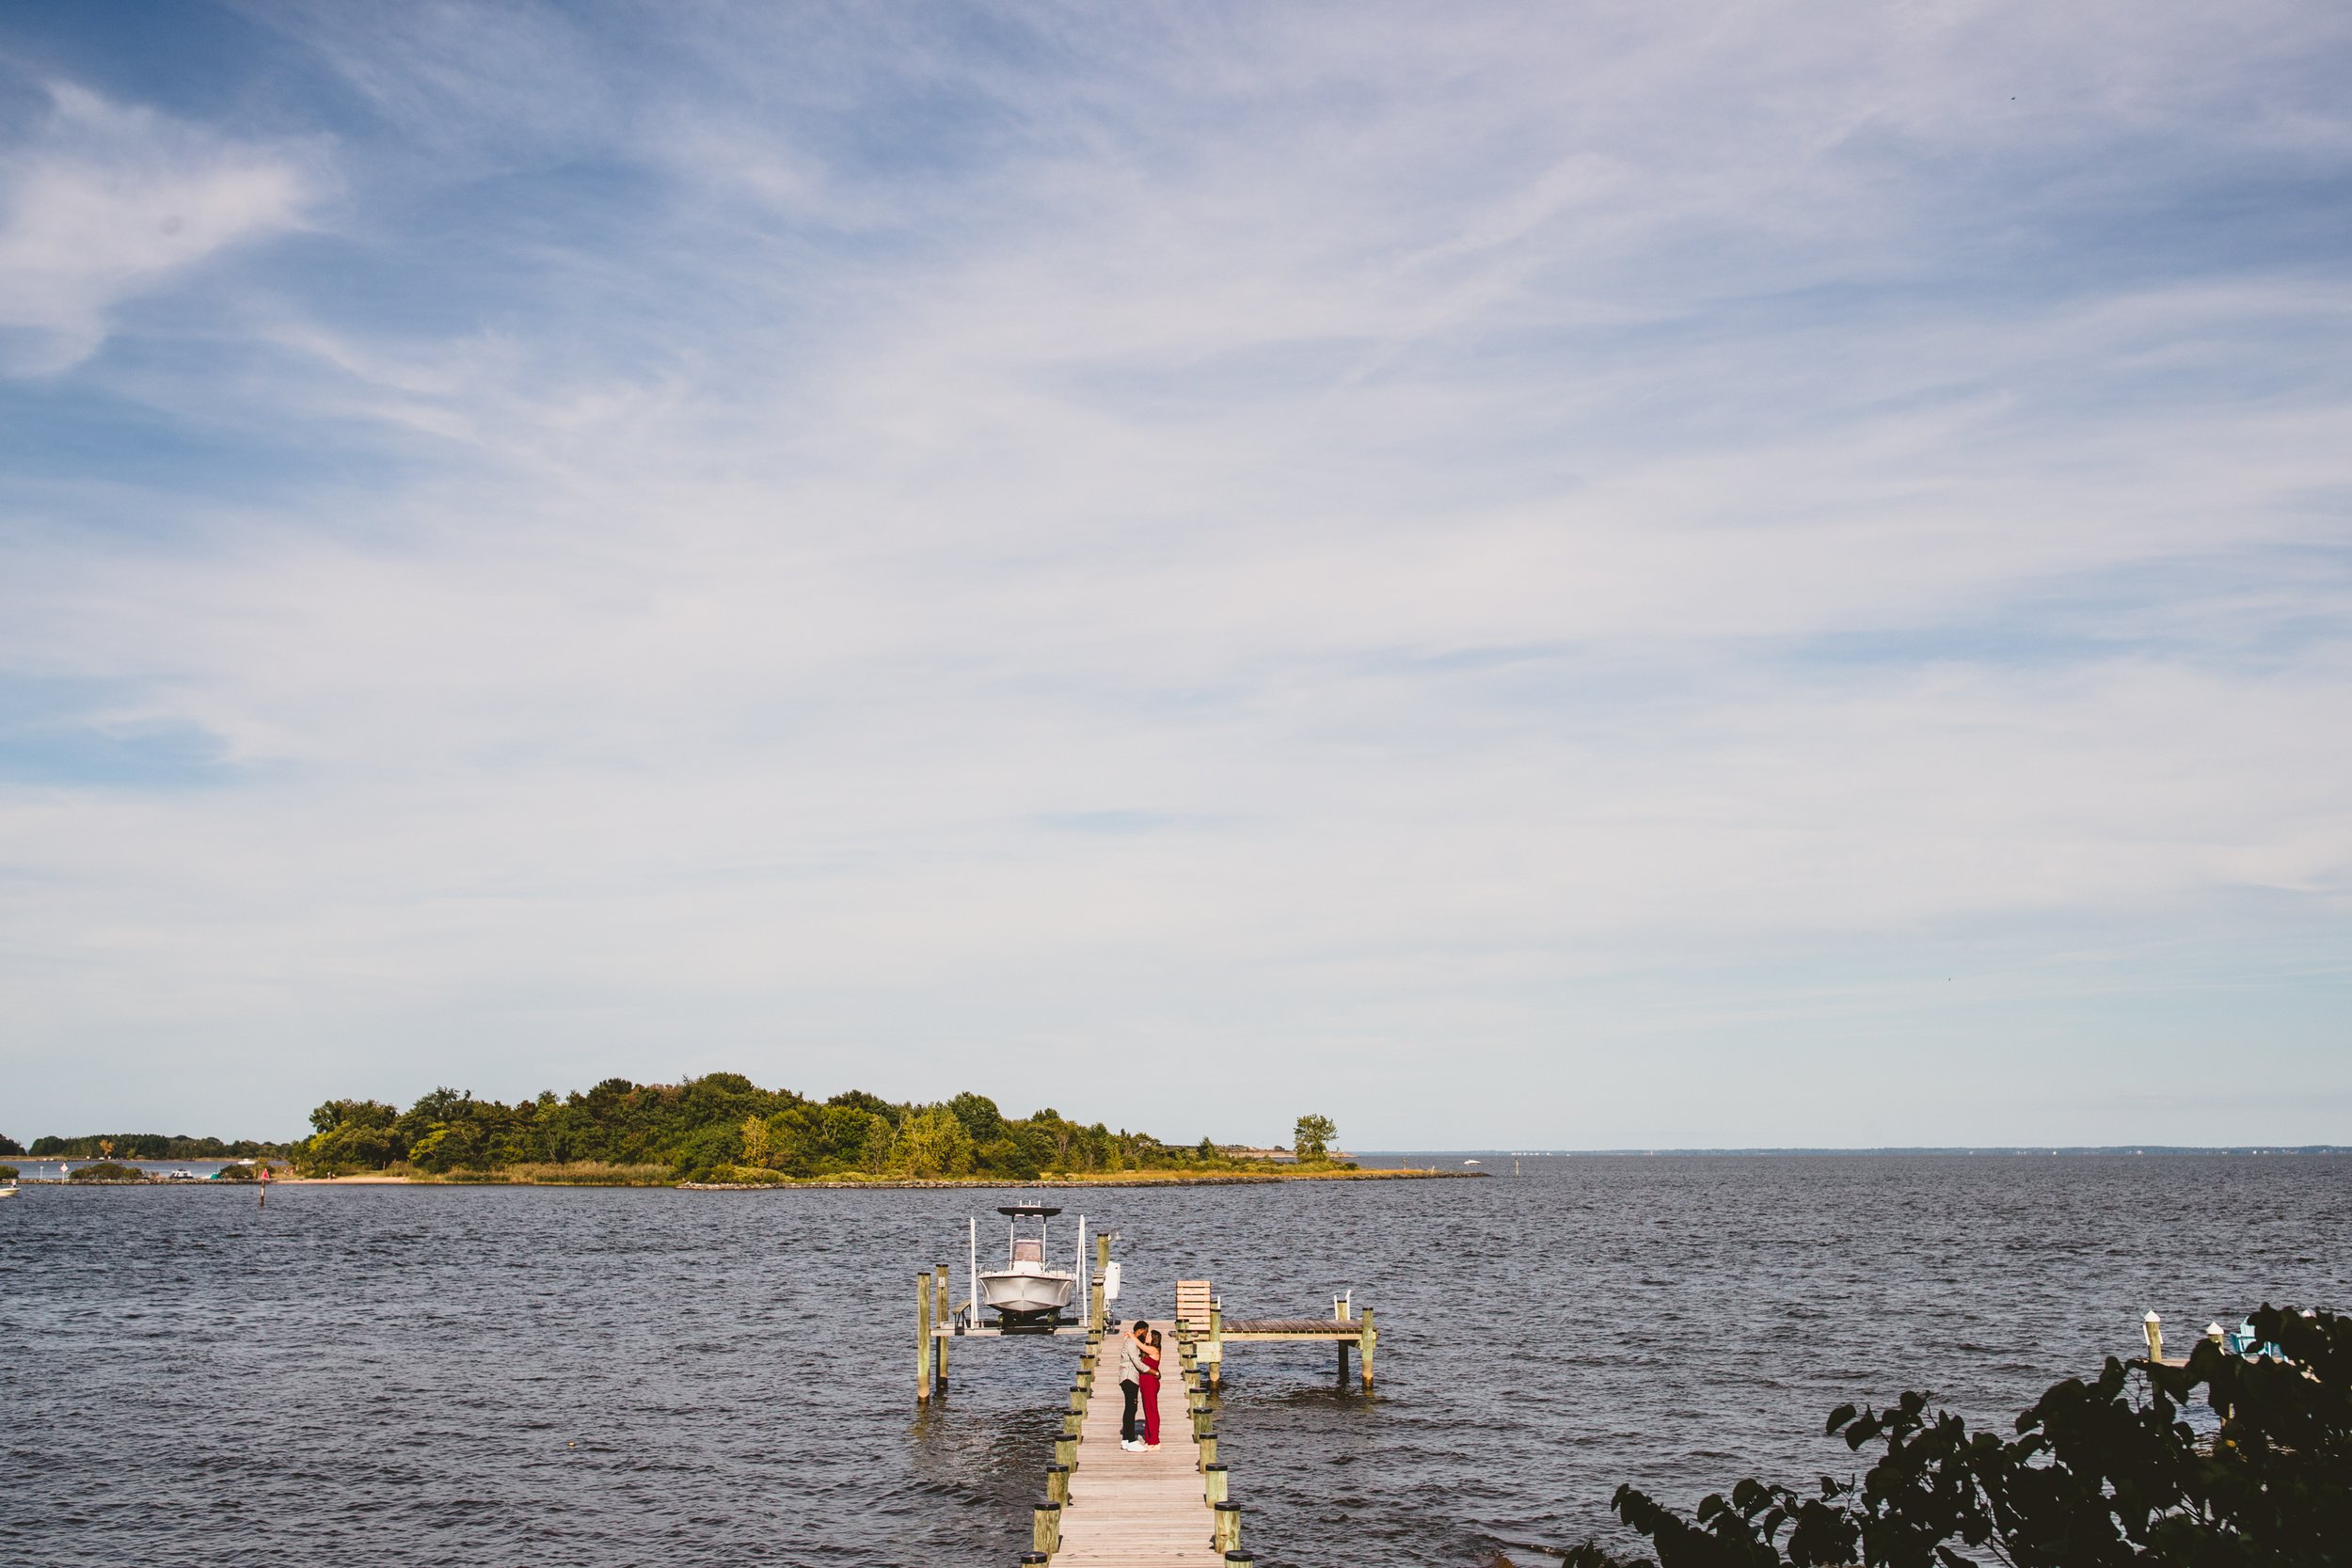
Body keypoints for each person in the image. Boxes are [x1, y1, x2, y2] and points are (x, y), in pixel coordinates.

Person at [1116, 1320, 1147, 1449]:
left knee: (1130, 1407)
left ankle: (1126, 1439)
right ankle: (1130, 1439)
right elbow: (1136, 1360)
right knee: (1131, 1408)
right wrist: (1151, 1371)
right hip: (1129, 1377)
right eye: (1146, 1332)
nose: (1146, 1335)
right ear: (1140, 1331)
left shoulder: (1133, 1341)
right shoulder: (1131, 1343)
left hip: (1131, 1377)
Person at [1138, 1326, 1164, 1450]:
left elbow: (1140, 1345)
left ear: (1153, 1339)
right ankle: (1149, 1438)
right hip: (1145, 1383)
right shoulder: (1147, 1349)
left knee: (1152, 1410)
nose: (1146, 1336)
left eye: (1148, 1335)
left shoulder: (1154, 1350)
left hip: (1150, 1383)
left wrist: (1131, 1335)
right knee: (1147, 1410)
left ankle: (1155, 1440)